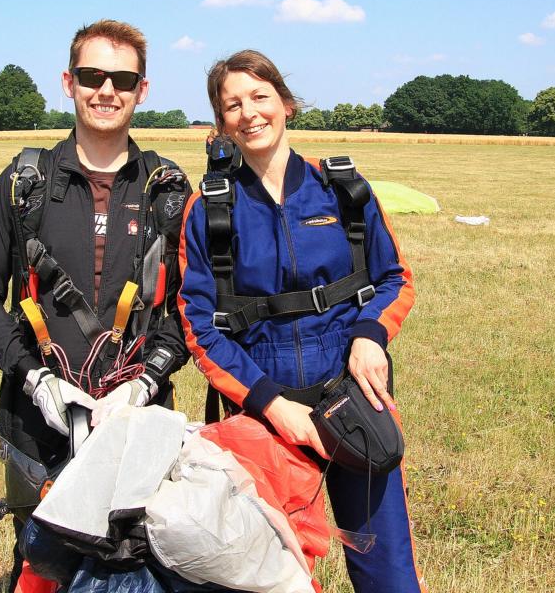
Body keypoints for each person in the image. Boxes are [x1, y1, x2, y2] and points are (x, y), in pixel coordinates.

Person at [177, 49, 424, 592]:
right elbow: (200, 326)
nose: (249, 113)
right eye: (232, 105)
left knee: (388, 571)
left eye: (259, 96)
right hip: (264, 413)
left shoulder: (343, 190)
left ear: (286, 104)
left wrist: (370, 335)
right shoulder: (210, 209)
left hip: (353, 400)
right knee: (264, 574)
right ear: (222, 123)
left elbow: (394, 277)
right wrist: (272, 404)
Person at [0, 20, 191, 592]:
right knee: (41, 568)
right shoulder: (24, 182)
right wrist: (33, 377)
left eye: (123, 79)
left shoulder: (166, 191)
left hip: (137, 422)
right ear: (69, 82)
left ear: (142, 90)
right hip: (37, 422)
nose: (106, 90)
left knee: (139, 568)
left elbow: (191, 307)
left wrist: (144, 383)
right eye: (92, 76)